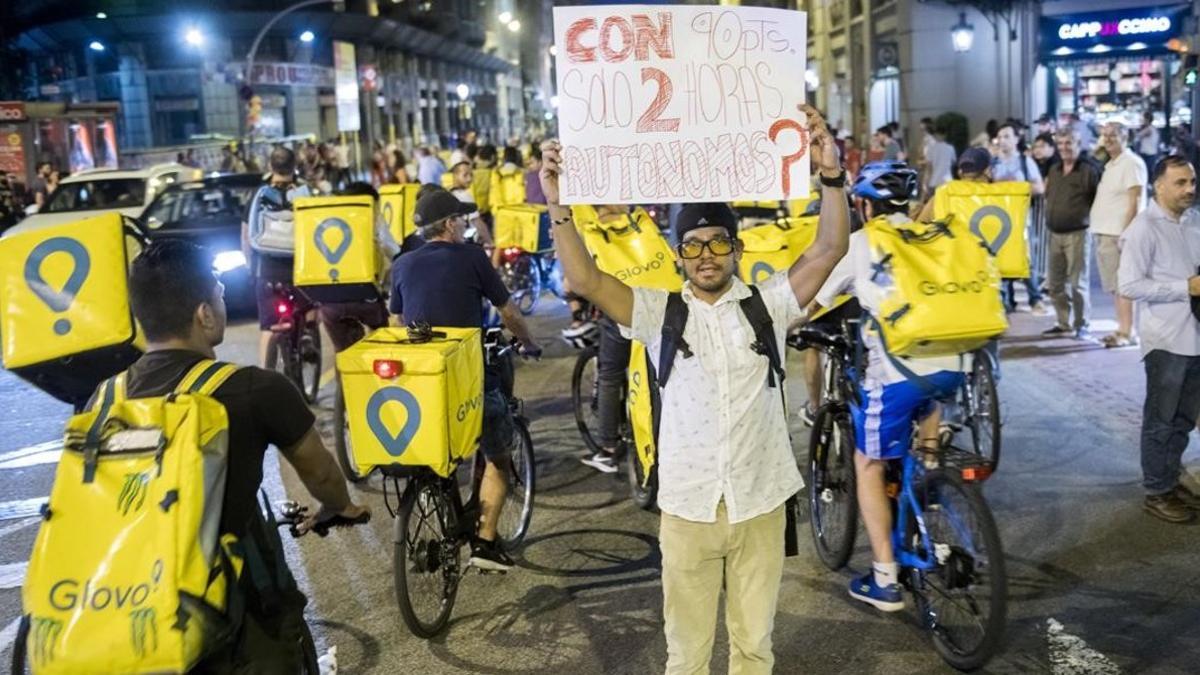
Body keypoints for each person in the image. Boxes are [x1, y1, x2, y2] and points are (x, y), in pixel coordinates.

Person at [539, 103, 850, 674]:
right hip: (687, 509)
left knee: (755, 648)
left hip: (761, 500)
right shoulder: (659, 312)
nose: (705, 255)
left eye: (717, 242)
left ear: (736, 248)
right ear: (677, 255)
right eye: (692, 245)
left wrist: (831, 174)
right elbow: (583, 278)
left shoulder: (767, 304)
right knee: (686, 655)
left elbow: (830, 250)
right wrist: (557, 204)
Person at [122, 239, 369, 670]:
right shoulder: (254, 388)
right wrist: (339, 507)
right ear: (204, 313)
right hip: (238, 612)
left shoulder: (104, 398)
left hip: (132, 603)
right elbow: (322, 473)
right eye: (218, 294)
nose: (220, 301)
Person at [814, 160, 967, 613]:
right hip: (953, 363)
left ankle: (884, 579)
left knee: (867, 463)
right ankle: (930, 497)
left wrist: (786, 326)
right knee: (924, 443)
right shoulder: (934, 235)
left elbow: (815, 299)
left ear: (863, 204)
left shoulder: (861, 244)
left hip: (899, 373)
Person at [389, 185, 541, 570]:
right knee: (497, 456)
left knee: (441, 450)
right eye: (461, 219)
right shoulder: (471, 257)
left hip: (420, 381)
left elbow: (395, 322)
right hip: (467, 376)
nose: (465, 226)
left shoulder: (403, 264)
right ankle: (486, 545)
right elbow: (508, 311)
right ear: (450, 225)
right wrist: (528, 342)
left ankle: (431, 492)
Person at [1118, 155, 1200, 523]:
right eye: (1181, 183)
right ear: (1159, 185)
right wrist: (1184, 287)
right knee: (1160, 419)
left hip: (1196, 335)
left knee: (1183, 418)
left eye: (1192, 182)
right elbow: (1129, 285)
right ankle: (1156, 490)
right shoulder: (1143, 228)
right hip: (1166, 339)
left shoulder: (1194, 220)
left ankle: (1169, 479)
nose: (1190, 189)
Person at [242, 146, 312, 368]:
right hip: (301, 269)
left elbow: (247, 235)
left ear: (270, 166)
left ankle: (266, 374)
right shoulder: (305, 193)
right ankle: (310, 335)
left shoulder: (258, 194)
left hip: (268, 270)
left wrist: (250, 267)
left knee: (268, 330)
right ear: (294, 166)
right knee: (313, 309)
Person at [1090, 121, 1148, 348]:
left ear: (1125, 137)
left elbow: (1135, 200)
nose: (1108, 139)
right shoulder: (1111, 164)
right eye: (1105, 135)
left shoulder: (1131, 163)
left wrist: (1127, 233)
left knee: (1124, 285)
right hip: (1106, 233)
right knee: (1116, 286)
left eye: (1113, 135)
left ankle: (1127, 332)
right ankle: (1121, 328)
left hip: (1118, 235)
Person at [1042, 131, 1102, 340]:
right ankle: (1063, 322)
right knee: (1055, 284)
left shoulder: (1087, 171)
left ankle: (1082, 324)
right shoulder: (1055, 169)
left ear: (1078, 144)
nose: (1064, 147)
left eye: (1069, 143)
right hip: (1054, 234)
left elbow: (1097, 199)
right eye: (1060, 143)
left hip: (1077, 233)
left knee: (1078, 283)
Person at [990, 121, 1048, 315]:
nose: (1003, 141)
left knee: (1025, 259)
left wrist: (1015, 186)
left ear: (1016, 139)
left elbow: (1039, 187)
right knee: (1001, 259)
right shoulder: (992, 162)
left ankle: (1035, 299)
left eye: (1007, 136)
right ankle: (1006, 300)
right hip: (997, 221)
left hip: (1022, 220)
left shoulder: (1025, 161)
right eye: (1000, 136)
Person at [924, 121, 956, 197]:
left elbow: (929, 168)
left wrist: (925, 182)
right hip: (947, 181)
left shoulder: (931, 149)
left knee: (934, 206)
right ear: (945, 135)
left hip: (934, 181)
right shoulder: (950, 148)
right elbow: (953, 163)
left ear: (935, 135)